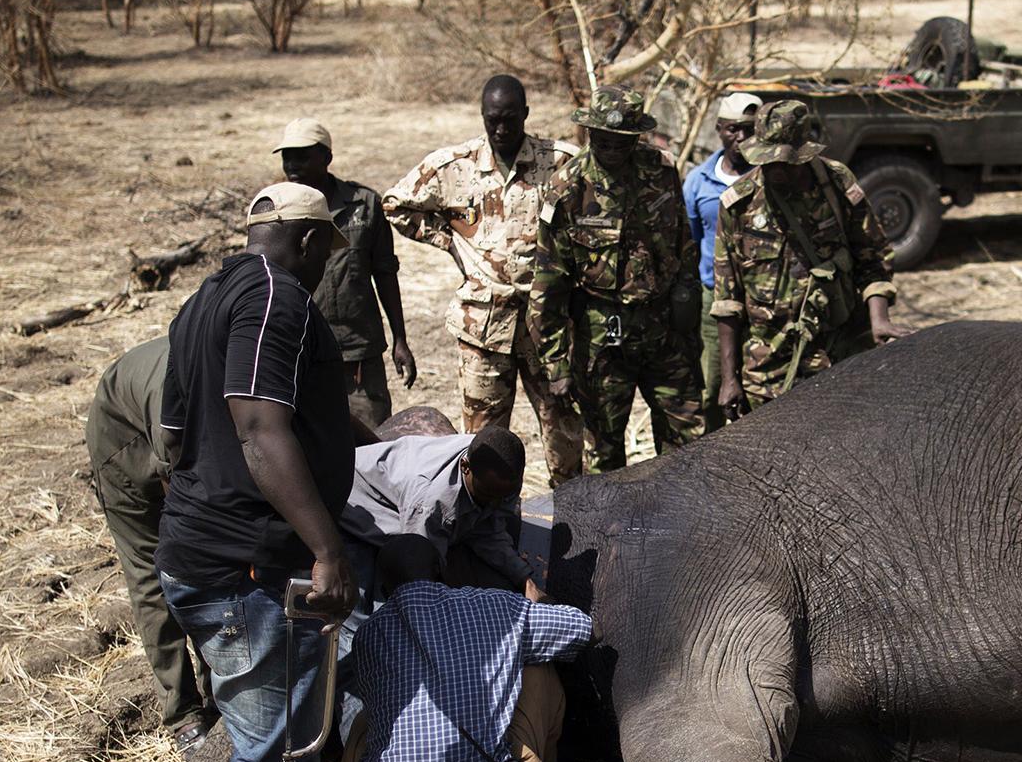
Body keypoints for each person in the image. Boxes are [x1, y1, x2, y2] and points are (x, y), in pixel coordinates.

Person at [156, 181, 379, 762]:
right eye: (328, 257)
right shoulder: (275, 299)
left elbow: (174, 430)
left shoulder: (205, 298)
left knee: (263, 738)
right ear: (312, 242)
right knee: (279, 746)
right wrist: (325, 547)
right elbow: (257, 427)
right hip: (248, 571)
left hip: (204, 553)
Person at [344, 534, 591, 762]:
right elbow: (584, 630)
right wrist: (538, 608)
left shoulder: (367, 636)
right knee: (539, 669)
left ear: (383, 585)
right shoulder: (496, 607)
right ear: (443, 570)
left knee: (369, 719)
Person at [384, 75, 584, 487]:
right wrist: (453, 242)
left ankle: (574, 520)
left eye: (511, 119)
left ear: (526, 114)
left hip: (549, 327)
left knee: (565, 433)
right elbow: (396, 204)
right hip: (484, 329)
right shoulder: (454, 166)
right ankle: (494, 532)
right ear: (482, 116)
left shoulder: (562, 162)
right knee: (485, 445)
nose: (502, 129)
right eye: (493, 120)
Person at [531, 86, 704, 472]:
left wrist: (688, 312)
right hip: (602, 341)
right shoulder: (566, 190)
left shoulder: (661, 170)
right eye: (602, 140)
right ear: (589, 133)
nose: (610, 149)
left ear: (636, 137)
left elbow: (683, 244)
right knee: (603, 456)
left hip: (665, 334)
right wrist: (556, 365)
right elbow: (547, 284)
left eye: (621, 142)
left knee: (689, 445)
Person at [712, 98, 906, 416]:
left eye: (784, 161)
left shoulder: (836, 183)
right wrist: (729, 379)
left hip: (838, 357)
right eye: (766, 160)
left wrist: (879, 320)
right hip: (767, 369)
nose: (774, 169)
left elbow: (873, 257)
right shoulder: (738, 204)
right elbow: (727, 297)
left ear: (803, 152)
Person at [85, 335, 212, 751]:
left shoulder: (248, 367)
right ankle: (183, 714)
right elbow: (186, 510)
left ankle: (220, 692)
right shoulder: (177, 395)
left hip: (170, 437)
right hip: (125, 446)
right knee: (158, 574)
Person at [274, 117, 416, 425]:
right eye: (287, 156)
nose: (292, 164)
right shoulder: (276, 209)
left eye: (302, 155)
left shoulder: (363, 205)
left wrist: (400, 339)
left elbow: (385, 273)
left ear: (326, 157)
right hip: (300, 352)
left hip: (358, 355)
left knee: (372, 444)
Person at [342, 426, 538, 593]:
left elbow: (490, 531)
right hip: (356, 500)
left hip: (409, 493)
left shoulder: (499, 470)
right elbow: (419, 572)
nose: (496, 503)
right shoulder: (431, 503)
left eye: (503, 496)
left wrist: (526, 581)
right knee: (369, 599)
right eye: (488, 494)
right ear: (465, 467)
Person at [681, 91, 762, 430]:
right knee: (714, 386)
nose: (741, 137)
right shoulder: (699, 182)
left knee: (761, 387)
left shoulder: (770, 175)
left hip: (762, 300)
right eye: (733, 129)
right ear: (718, 129)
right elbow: (690, 244)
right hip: (715, 299)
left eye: (749, 129)